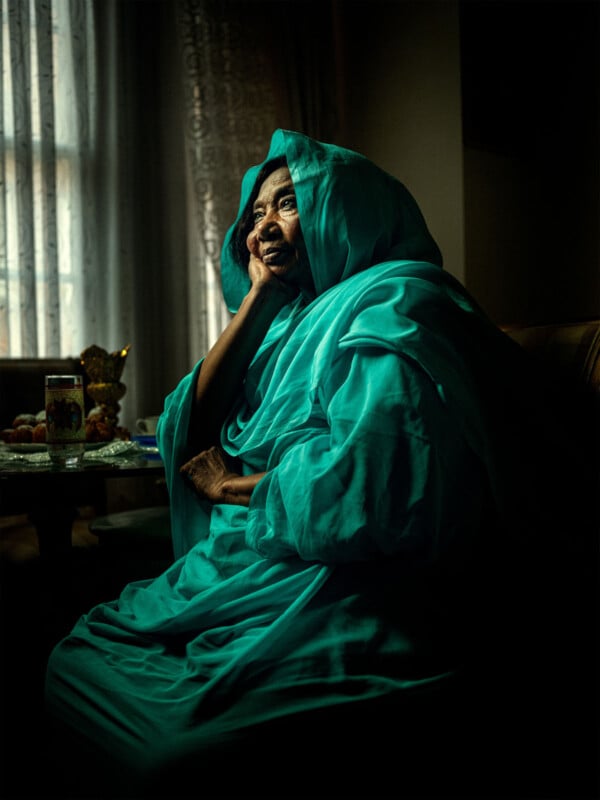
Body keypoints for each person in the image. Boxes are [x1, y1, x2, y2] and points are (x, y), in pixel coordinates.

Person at [44, 130, 595, 797]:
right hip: (247, 570)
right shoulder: (293, 319)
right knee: (74, 658)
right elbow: (193, 421)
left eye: (288, 203)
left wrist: (234, 484)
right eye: (255, 216)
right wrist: (260, 298)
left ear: (349, 207)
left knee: (170, 749)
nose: (265, 226)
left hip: (348, 583)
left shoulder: (399, 304)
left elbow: (378, 490)